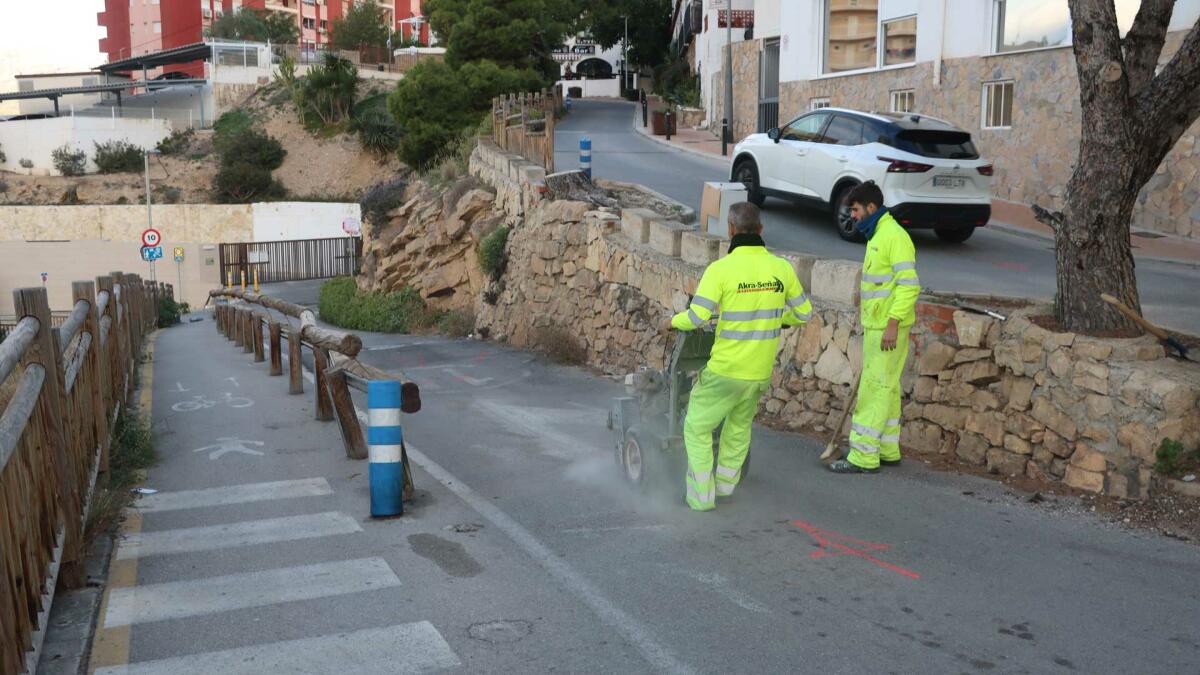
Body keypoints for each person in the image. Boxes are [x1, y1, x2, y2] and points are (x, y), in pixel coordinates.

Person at [660, 202, 812, 510]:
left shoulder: (720, 270)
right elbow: (805, 313)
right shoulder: (782, 268)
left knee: (697, 427)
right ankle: (726, 487)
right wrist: (779, 320)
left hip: (725, 371)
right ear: (761, 229)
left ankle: (702, 497)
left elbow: (697, 317)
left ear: (730, 230)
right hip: (758, 374)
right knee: (738, 427)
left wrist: (671, 321)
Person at [828, 182, 920, 474]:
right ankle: (886, 448)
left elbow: (909, 286)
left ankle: (863, 456)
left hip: (886, 328)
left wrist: (892, 323)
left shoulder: (894, 237)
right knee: (887, 388)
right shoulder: (878, 235)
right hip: (878, 325)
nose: (852, 216)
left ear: (870, 208)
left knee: (874, 388)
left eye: (855, 210)